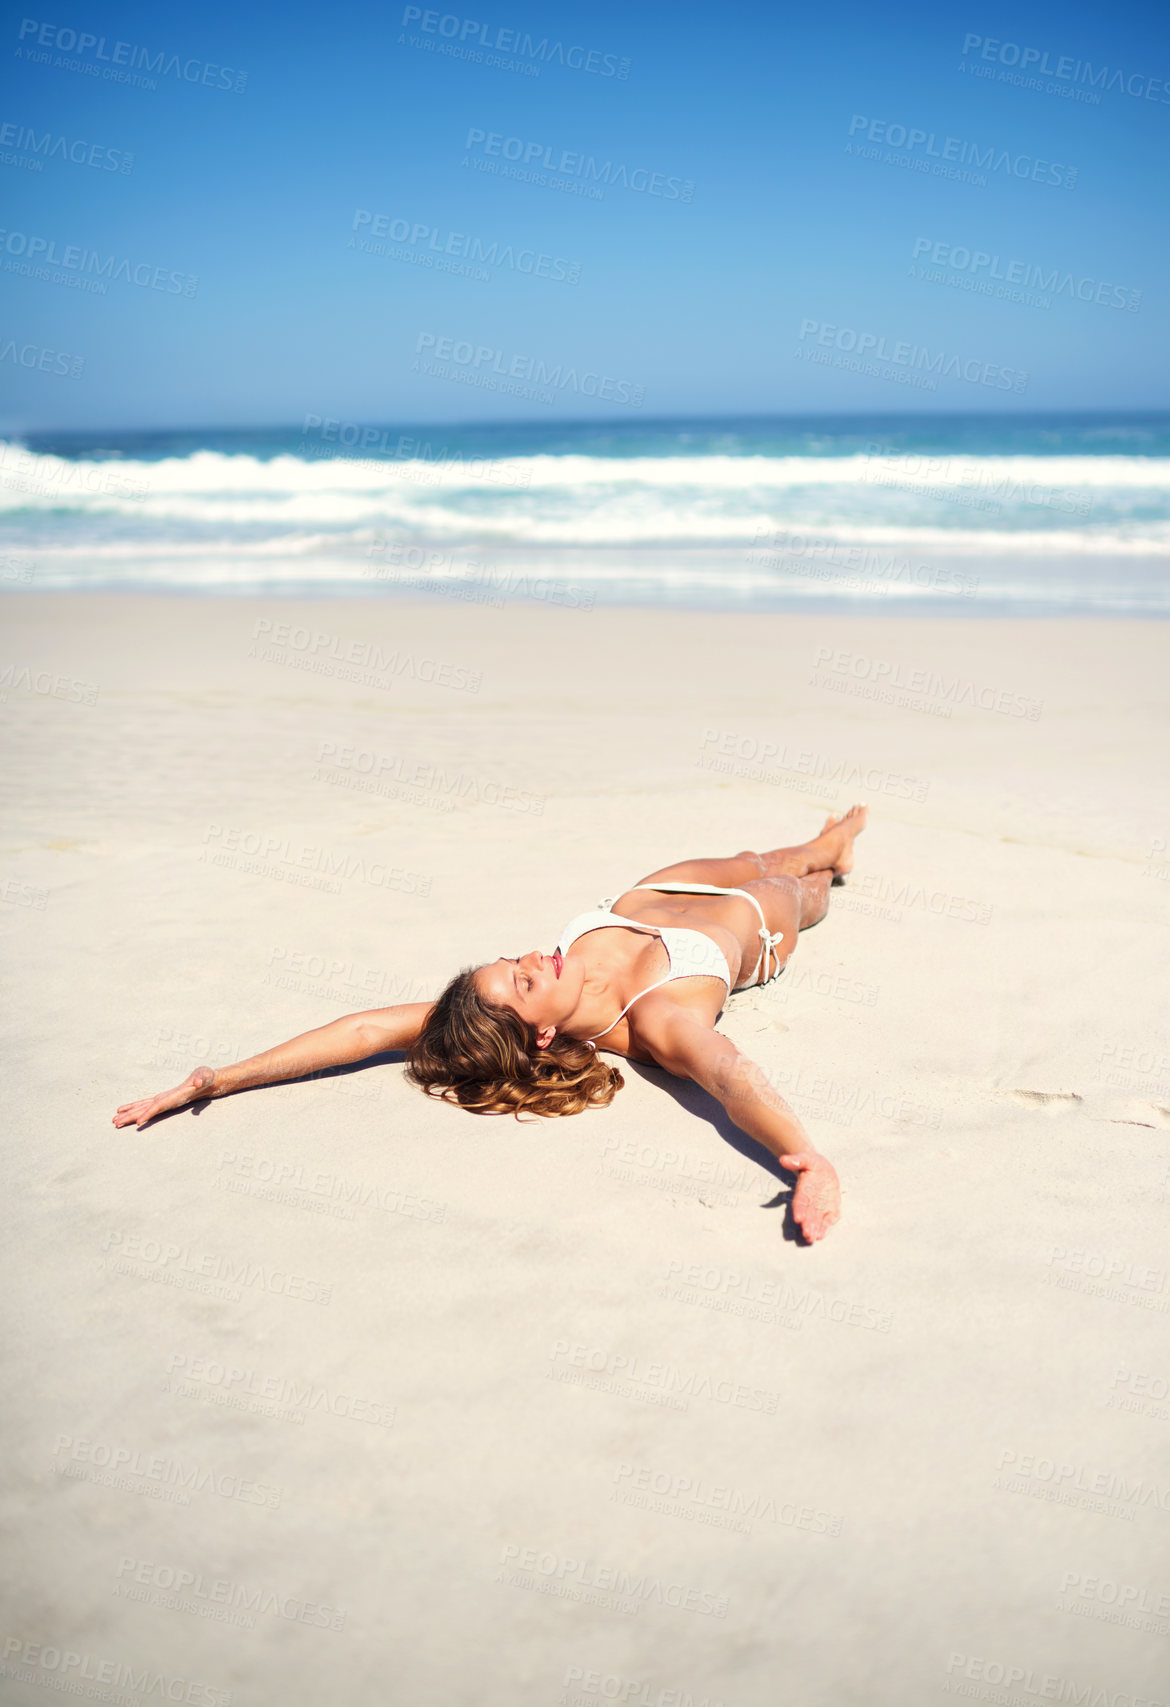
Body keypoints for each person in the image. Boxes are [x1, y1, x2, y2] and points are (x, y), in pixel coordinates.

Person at [114, 808, 869, 1242]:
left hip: (656, 887)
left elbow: (364, 1029)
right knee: (795, 883)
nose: (535, 955)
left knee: (758, 853)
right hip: (757, 925)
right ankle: (828, 862)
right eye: (523, 977)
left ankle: (823, 840)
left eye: (514, 959)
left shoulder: (525, 995)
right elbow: (732, 1076)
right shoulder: (659, 1023)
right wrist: (806, 1154)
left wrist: (216, 1077)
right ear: (539, 1034)